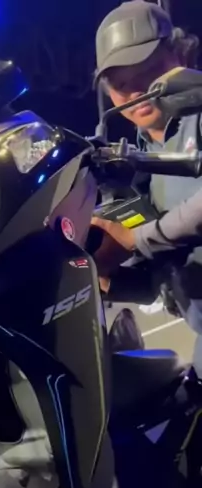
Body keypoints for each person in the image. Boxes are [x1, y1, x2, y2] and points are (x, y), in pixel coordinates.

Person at [92, 1, 202, 346]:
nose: (136, 92)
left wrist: (137, 239)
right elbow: (159, 282)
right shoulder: (140, 163)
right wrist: (105, 276)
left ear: (180, 56)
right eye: (121, 84)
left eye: (149, 71)